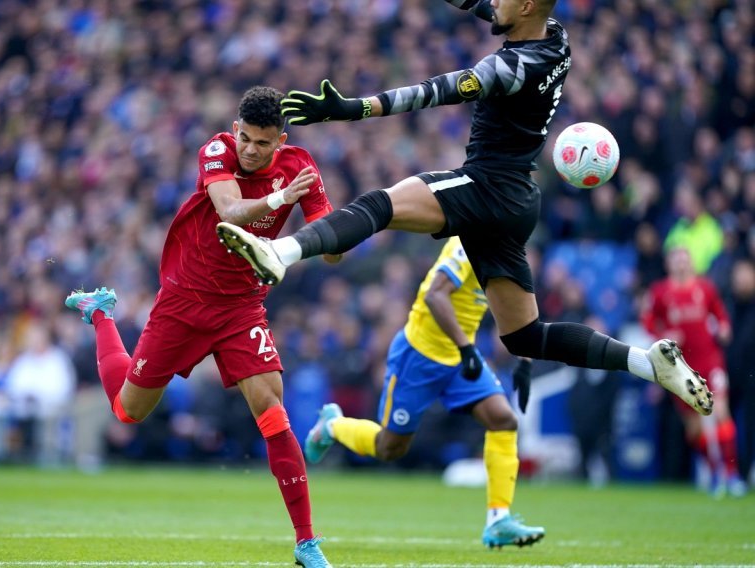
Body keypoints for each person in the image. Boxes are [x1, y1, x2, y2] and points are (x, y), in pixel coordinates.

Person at [216, 0, 713, 419]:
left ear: (525, 7)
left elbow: (438, 91)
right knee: (524, 335)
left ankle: (281, 251)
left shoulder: (512, 67)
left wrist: (355, 109)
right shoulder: (554, 35)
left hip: (485, 185)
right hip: (517, 199)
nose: (492, 0)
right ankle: (646, 363)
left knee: (380, 204)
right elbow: (479, 3)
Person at [65, 86, 339, 567]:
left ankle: (306, 541)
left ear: (282, 140)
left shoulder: (301, 168)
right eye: (246, 139)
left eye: (263, 143)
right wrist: (281, 199)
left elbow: (332, 245)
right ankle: (101, 313)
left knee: (272, 409)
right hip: (185, 301)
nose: (252, 150)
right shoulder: (216, 151)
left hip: (241, 307)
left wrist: (333, 226)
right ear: (236, 130)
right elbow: (232, 212)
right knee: (129, 412)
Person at [304, 236, 543, 548]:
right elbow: (434, 296)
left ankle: (498, 519)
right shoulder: (469, 241)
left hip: (458, 357)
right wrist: (466, 347)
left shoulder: (507, 249)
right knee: (390, 447)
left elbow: (513, 304)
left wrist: (524, 361)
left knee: (503, 420)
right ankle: (333, 426)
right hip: (419, 356)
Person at [641, 246, 746, 497]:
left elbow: (720, 315)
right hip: (681, 367)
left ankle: (732, 475)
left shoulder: (705, 288)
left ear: (691, 264)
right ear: (669, 264)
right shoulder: (660, 292)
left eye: (684, 260)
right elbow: (648, 322)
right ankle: (713, 472)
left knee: (720, 412)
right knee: (695, 427)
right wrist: (663, 335)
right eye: (676, 260)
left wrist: (723, 328)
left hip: (710, 360)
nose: (681, 265)